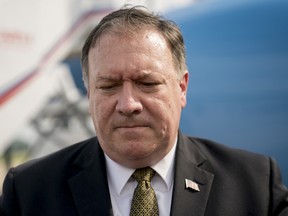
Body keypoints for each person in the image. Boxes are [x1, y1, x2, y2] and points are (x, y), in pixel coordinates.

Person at [1, 6, 288, 216]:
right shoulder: (29, 193)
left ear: (182, 88)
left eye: (147, 83)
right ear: (89, 95)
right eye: (109, 86)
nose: (128, 105)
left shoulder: (254, 185)